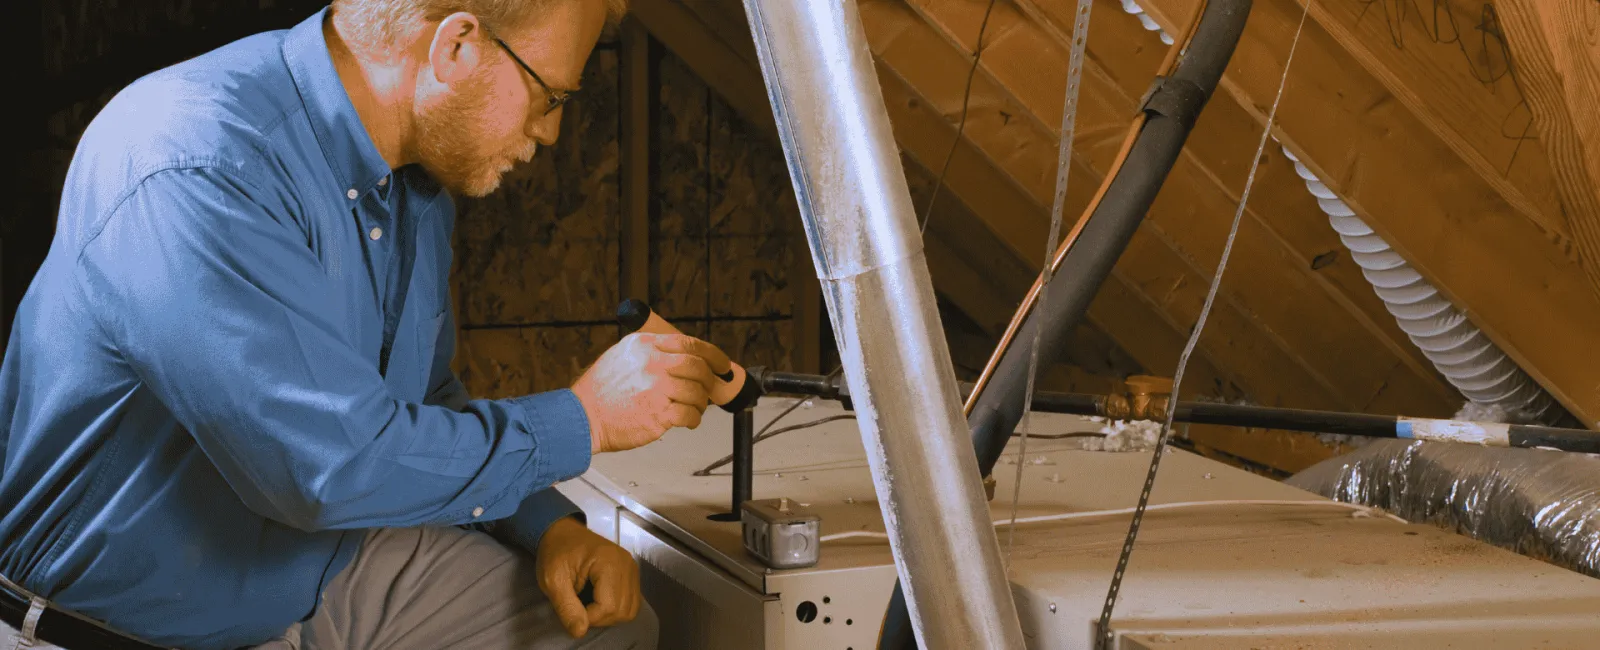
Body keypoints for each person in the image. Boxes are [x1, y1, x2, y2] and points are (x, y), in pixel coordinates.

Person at [0, 0, 722, 647]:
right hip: (116, 627)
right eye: (550, 94)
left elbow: (422, 406)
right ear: (457, 47)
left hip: (316, 567)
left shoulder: (414, 183)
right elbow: (325, 470)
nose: (554, 130)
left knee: (610, 633)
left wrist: (548, 529)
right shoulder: (197, 161)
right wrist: (585, 419)